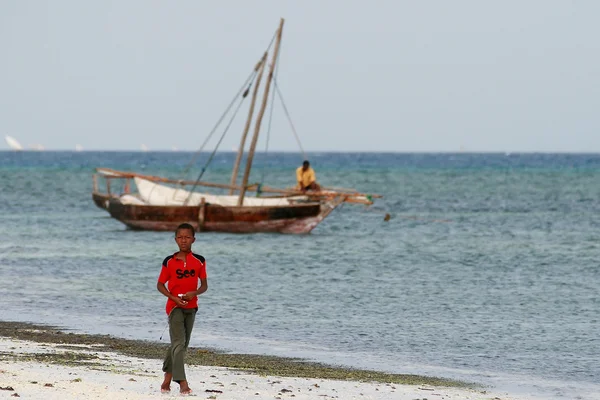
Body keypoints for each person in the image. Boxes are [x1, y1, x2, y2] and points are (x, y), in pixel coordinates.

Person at [157, 223, 208, 395]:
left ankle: (167, 378)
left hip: (192, 307)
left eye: (187, 237)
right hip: (174, 307)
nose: (183, 240)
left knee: (181, 345)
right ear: (175, 239)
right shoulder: (169, 261)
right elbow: (160, 284)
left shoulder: (199, 261)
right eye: (180, 237)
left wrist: (194, 292)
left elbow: (204, 285)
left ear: (193, 239)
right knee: (179, 343)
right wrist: (172, 298)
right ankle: (182, 382)